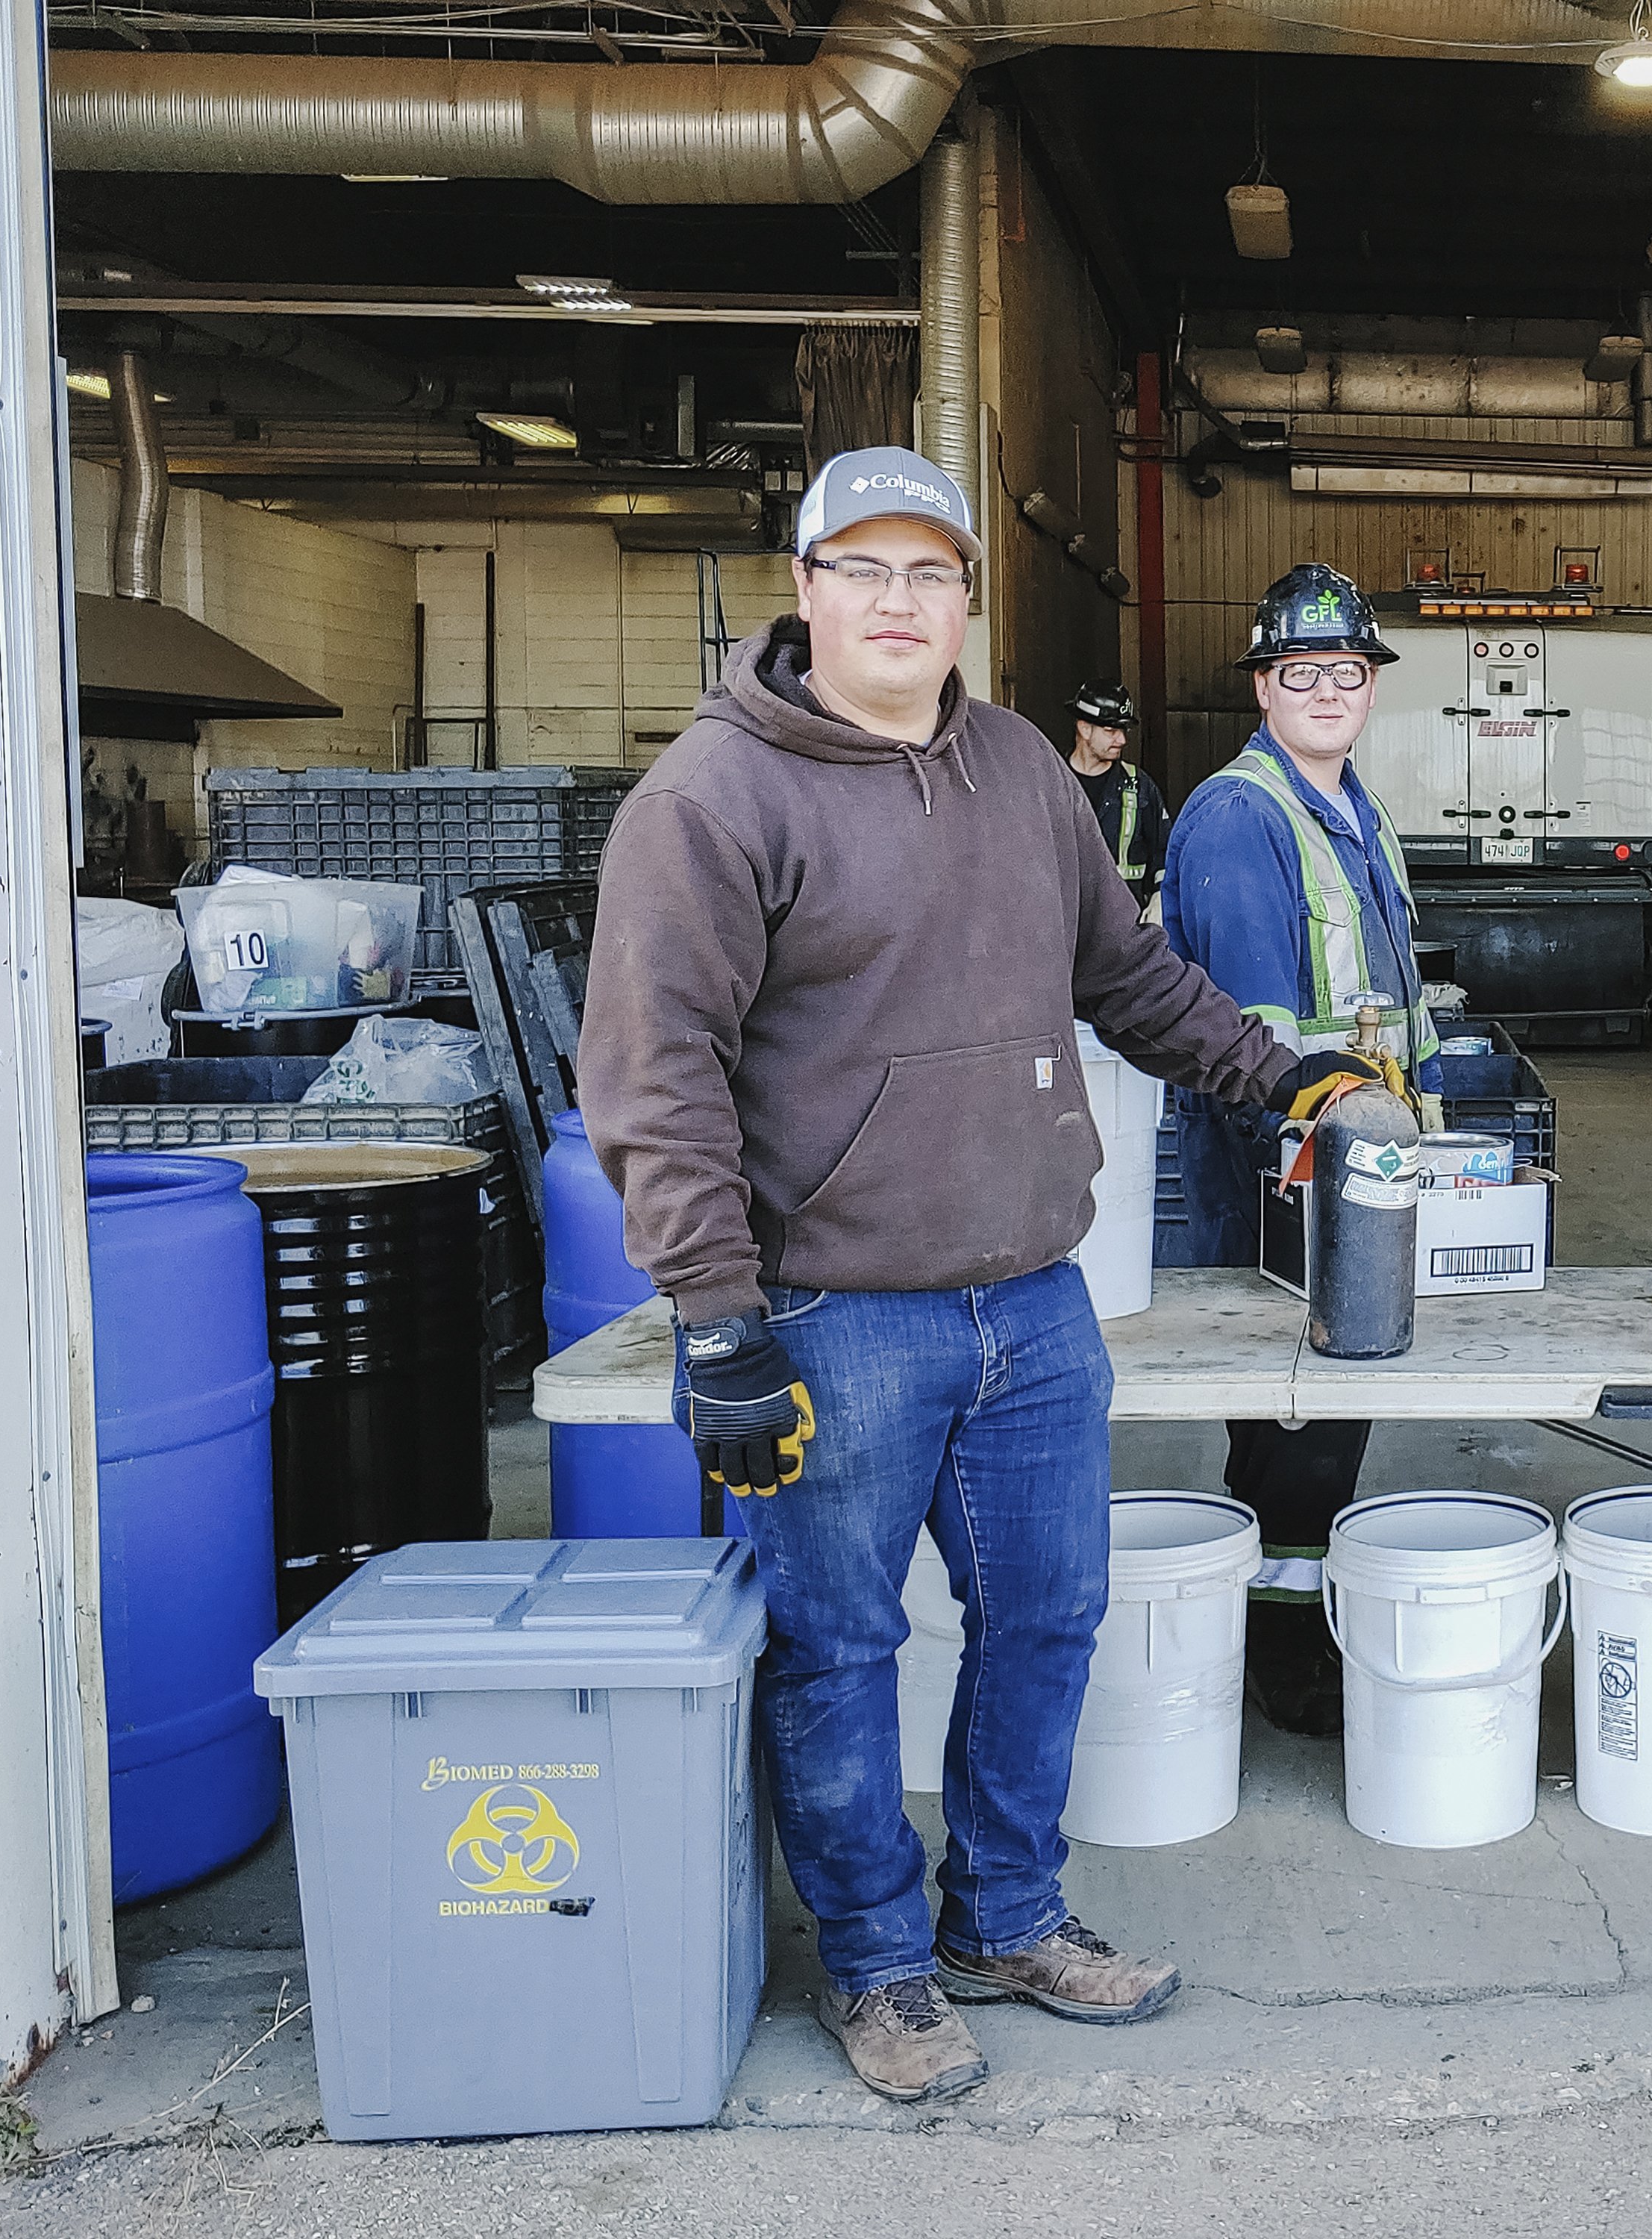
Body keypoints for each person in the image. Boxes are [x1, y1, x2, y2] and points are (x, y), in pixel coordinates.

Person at [578, 449, 1374, 2106]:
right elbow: (656, 1081)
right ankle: (872, 1964)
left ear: (963, 601)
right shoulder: (713, 803)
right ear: (803, 591)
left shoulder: (1020, 767)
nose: (896, 600)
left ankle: (1003, 1915)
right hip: (830, 1313)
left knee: (1047, 1619)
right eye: (860, 569)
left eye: (927, 572)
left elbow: (1132, 981)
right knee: (842, 1647)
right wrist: (717, 1322)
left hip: (1032, 1300)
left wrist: (1282, 1072)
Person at [1161, 560, 1436, 1740]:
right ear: (1263, 687)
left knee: (1332, 1417)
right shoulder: (1240, 817)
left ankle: (1291, 1609)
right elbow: (1251, 1045)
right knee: (1293, 1423)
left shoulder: (1350, 806)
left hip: (1357, 1162)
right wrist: (1315, 1167)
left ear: (1369, 685)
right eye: (1300, 671)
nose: (1327, 689)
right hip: (1285, 1168)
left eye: (1347, 670)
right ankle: (1281, 1644)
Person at [1066, 677, 1169, 909]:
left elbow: (1164, 852)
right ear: (1084, 729)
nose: (1122, 740)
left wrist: (1159, 901)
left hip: (1125, 928)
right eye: (1111, 730)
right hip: (1069, 929)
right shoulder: (1054, 786)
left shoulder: (1139, 787)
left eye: (1123, 730)